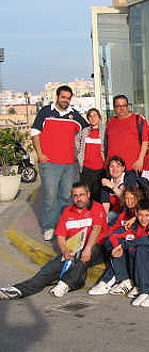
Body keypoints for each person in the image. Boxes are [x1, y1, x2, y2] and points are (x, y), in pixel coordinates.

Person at [0, 182, 106, 300]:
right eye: (75, 196)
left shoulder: (96, 207)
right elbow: (60, 236)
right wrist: (64, 250)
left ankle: (65, 284)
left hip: (95, 248)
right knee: (48, 270)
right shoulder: (67, 211)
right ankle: (18, 290)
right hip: (74, 249)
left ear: (88, 194)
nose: (79, 198)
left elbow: (96, 229)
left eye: (82, 195)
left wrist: (88, 248)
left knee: (83, 257)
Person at [31, 85, 88, 241]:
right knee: (50, 196)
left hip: (69, 164)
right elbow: (35, 133)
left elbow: (87, 130)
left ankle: (64, 226)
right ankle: (49, 226)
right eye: (63, 97)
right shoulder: (46, 112)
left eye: (68, 98)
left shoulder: (73, 115)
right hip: (49, 163)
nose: (66, 100)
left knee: (66, 197)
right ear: (57, 97)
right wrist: (40, 154)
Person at [104, 95, 149, 173]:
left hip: (132, 167)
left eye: (124, 106)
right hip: (114, 170)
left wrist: (140, 160)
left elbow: (145, 141)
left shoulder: (138, 120)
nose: (121, 109)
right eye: (118, 106)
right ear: (114, 108)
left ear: (128, 106)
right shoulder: (110, 122)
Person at [76, 108, 105, 201]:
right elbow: (76, 141)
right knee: (86, 195)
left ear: (99, 118)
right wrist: (78, 154)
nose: (93, 118)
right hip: (86, 169)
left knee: (98, 195)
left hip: (100, 169)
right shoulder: (85, 132)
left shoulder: (104, 131)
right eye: (90, 116)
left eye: (95, 115)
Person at [100, 156, 137, 225]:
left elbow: (129, 200)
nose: (115, 169)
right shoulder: (106, 182)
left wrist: (112, 186)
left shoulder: (129, 177)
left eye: (118, 166)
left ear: (123, 168)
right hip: (116, 213)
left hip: (131, 212)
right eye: (112, 166)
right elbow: (105, 206)